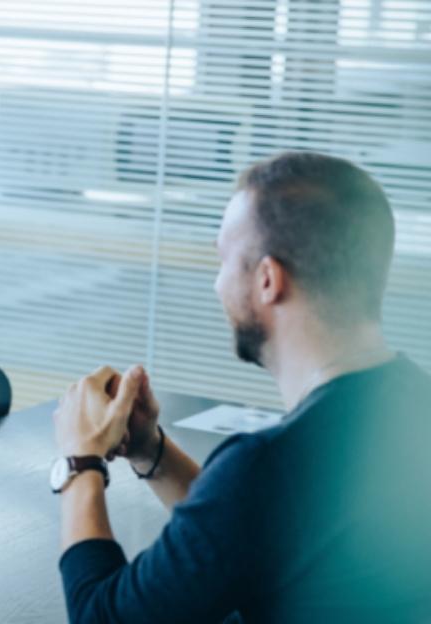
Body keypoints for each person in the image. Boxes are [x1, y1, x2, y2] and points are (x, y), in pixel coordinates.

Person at [49, 152, 431, 622]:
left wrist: (79, 461)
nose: (216, 285)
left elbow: (100, 617)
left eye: (223, 259)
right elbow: (252, 527)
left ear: (268, 280)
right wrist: (150, 450)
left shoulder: (272, 464)